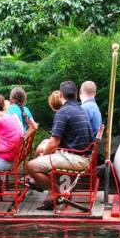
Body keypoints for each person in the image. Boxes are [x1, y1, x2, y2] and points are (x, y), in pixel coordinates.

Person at [26, 81, 94, 209]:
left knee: (31, 166)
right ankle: (53, 194)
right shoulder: (81, 109)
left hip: (76, 159)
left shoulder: (63, 112)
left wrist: (42, 159)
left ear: (61, 95)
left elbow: (54, 142)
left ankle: (58, 192)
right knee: (43, 154)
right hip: (83, 156)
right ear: (76, 95)